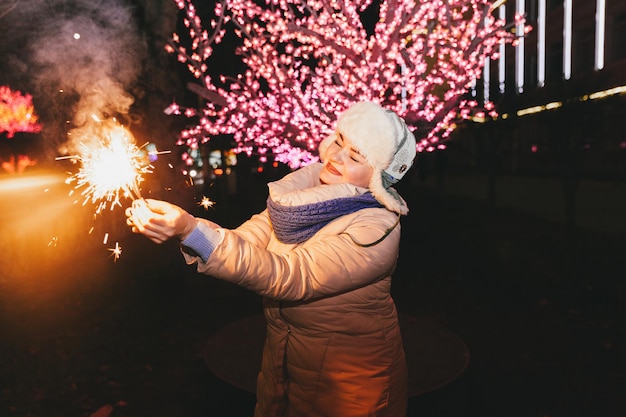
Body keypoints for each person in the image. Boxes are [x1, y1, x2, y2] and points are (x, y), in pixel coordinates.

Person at [126, 101, 417, 417]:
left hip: (351, 387)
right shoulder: (299, 203)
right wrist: (186, 229)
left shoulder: (377, 228)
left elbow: (292, 276)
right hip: (287, 362)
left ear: (380, 176)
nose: (336, 156)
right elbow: (244, 242)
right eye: (339, 141)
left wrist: (190, 230)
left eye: (356, 156)